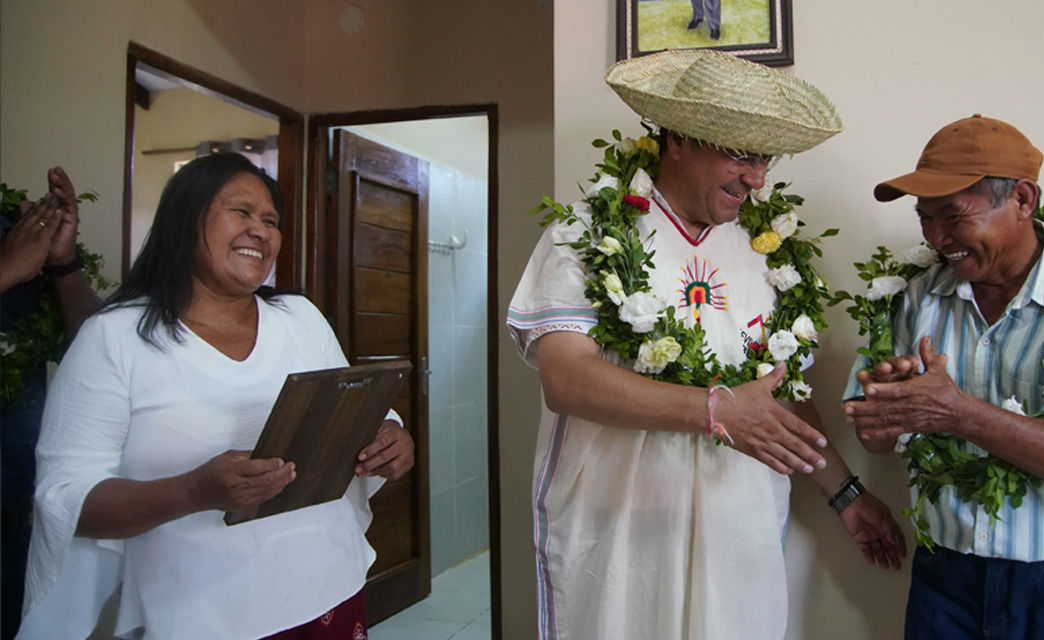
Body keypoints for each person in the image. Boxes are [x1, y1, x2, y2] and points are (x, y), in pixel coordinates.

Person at [508, 50, 906, 640]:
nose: (757, 177)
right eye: (739, 154)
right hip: (620, 533)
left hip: (734, 529)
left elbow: (781, 397)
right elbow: (566, 380)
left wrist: (845, 493)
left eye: (765, 157)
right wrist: (716, 411)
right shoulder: (586, 233)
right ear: (677, 140)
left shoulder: (770, 251)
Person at [18, 153, 415, 640]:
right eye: (241, 212)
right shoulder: (114, 338)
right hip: (201, 613)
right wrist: (193, 491)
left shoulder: (300, 318)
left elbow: (354, 412)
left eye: (270, 220)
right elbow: (66, 502)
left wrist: (390, 436)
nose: (260, 230)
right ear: (185, 222)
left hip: (329, 587)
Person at [843, 115, 1044, 639]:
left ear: (1023, 199)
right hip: (943, 581)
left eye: (952, 216)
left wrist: (958, 413)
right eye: (925, 218)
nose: (938, 238)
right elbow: (871, 436)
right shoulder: (917, 296)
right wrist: (887, 413)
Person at [0, 167, 102, 640]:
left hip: (17, 497)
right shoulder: (13, 252)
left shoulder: (13, 225)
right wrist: (6, 272)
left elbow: (92, 349)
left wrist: (61, 263)